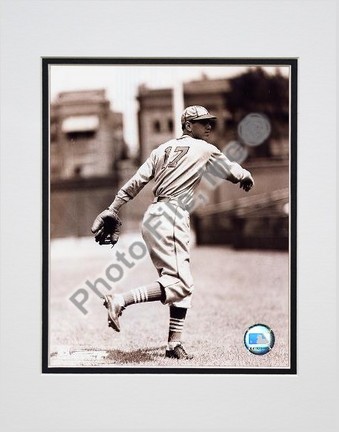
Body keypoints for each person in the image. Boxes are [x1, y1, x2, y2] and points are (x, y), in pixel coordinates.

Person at [91, 105, 254, 360]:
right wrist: (246, 175)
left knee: (178, 281)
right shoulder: (205, 149)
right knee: (180, 283)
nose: (209, 126)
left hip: (153, 217)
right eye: (203, 122)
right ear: (188, 126)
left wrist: (113, 208)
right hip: (172, 215)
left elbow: (136, 182)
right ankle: (120, 300)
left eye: (210, 121)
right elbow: (232, 171)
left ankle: (173, 345)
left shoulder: (160, 149)